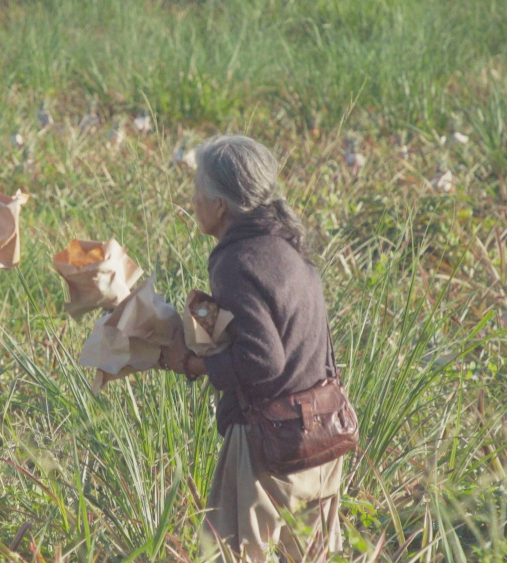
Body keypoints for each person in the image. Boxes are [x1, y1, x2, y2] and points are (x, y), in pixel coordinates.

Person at [158, 136, 343, 561]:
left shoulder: (236, 260)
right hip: (321, 440)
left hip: (269, 447)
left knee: (232, 554)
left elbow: (263, 359)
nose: (192, 201)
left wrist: (192, 364)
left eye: (197, 190)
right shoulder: (287, 248)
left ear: (220, 205)